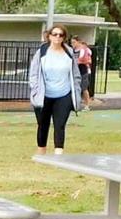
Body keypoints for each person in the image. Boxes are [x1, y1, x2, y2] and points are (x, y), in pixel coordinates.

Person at [28, 24, 82, 155]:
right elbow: (33, 73)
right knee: (43, 124)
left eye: (61, 35)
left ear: (64, 37)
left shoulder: (69, 52)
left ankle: (58, 154)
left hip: (64, 94)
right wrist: (35, 89)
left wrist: (76, 90)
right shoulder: (42, 51)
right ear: (49, 36)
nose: (58, 37)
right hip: (44, 95)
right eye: (55, 34)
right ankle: (41, 151)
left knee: (60, 124)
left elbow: (76, 74)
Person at [71, 35, 97, 111]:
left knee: (84, 88)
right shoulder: (73, 50)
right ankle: (75, 104)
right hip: (75, 71)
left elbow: (85, 60)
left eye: (74, 42)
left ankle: (87, 105)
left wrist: (76, 62)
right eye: (71, 42)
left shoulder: (83, 49)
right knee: (74, 88)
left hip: (83, 71)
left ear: (78, 42)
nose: (72, 44)